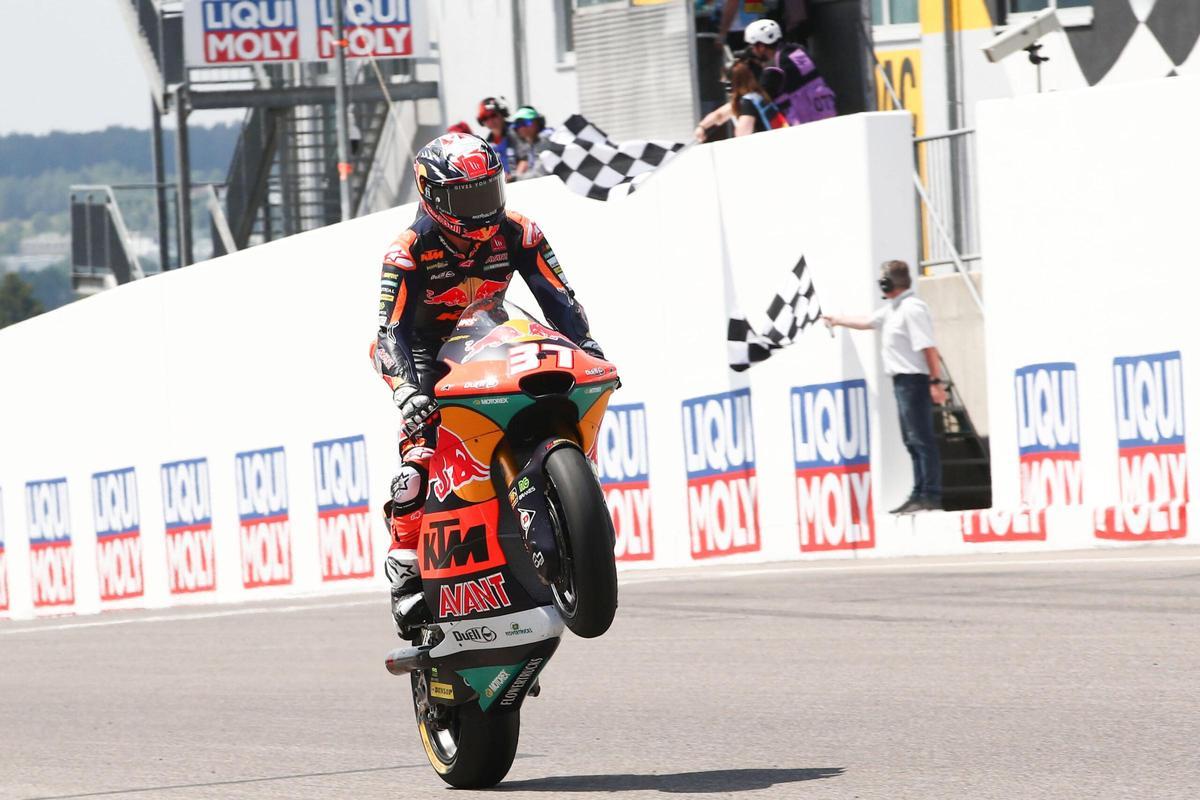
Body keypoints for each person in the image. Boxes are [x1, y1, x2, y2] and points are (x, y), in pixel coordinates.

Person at [372, 132, 605, 638]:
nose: (482, 210)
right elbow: (388, 333)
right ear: (432, 197)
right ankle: (405, 571)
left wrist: (587, 346)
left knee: (562, 389)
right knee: (417, 466)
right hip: (429, 358)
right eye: (466, 198)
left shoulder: (520, 231)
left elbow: (560, 299)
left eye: (488, 191)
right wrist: (407, 392)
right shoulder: (407, 252)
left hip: (493, 338)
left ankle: (563, 500)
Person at [822, 260, 946, 514]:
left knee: (921, 440)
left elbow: (928, 347)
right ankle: (919, 492)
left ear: (889, 283)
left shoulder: (912, 309)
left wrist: (935, 381)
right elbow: (867, 321)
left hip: (914, 380)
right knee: (911, 440)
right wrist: (837, 320)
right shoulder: (893, 310)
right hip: (902, 381)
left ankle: (930, 494)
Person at [743, 18, 836, 126]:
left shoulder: (772, 70)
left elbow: (755, 101)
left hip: (803, 126)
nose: (752, 51)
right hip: (828, 115)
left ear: (761, 46)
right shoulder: (798, 50)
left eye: (753, 46)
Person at [694, 58, 787, 140]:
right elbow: (719, 115)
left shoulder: (748, 103)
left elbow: (742, 135)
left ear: (731, 84)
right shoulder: (756, 97)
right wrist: (702, 127)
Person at [476, 97, 518, 179]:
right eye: (485, 118)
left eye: (493, 115)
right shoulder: (486, 145)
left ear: (502, 113)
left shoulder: (518, 132)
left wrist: (514, 176)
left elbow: (526, 158)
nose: (490, 120)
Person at [511, 105, 554, 180]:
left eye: (526, 122)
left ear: (538, 122)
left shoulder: (545, 139)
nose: (522, 127)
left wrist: (515, 178)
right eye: (518, 124)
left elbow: (540, 174)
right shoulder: (530, 144)